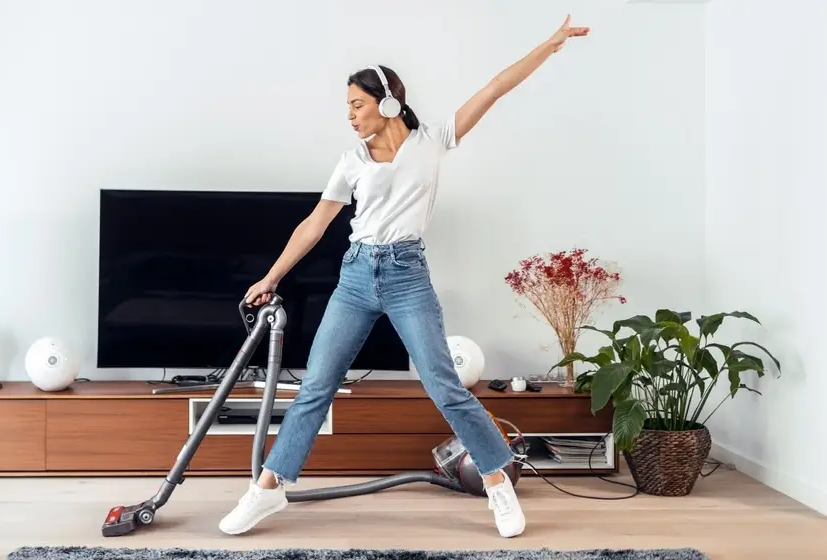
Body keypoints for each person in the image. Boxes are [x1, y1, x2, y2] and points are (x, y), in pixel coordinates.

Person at [218, 15, 589, 538]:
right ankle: (267, 492)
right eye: (347, 106)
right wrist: (272, 276)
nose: (349, 116)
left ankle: (498, 484)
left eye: (357, 104)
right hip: (354, 277)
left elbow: (496, 87)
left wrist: (550, 45)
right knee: (315, 387)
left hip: (405, 274)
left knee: (444, 386)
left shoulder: (433, 140)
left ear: (387, 102)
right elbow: (315, 223)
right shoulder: (350, 161)